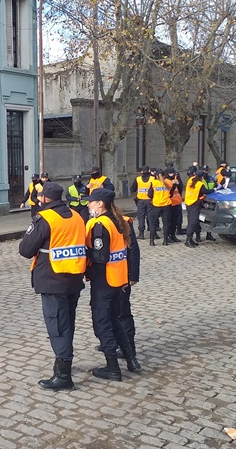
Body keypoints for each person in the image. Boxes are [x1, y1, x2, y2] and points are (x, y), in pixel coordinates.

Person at [18, 182, 86, 391]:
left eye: (40, 196)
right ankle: (63, 361)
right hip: (74, 277)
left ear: (45, 199)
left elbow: (26, 249)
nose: (38, 199)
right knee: (68, 323)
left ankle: (64, 375)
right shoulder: (76, 216)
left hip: (52, 279)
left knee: (57, 327)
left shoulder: (44, 218)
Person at [85, 187, 140, 381]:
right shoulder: (118, 221)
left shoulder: (100, 224)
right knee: (115, 320)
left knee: (102, 323)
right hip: (118, 279)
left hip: (104, 280)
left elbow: (101, 256)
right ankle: (131, 360)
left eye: (91, 202)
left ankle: (113, 368)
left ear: (100, 204)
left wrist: (84, 250)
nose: (88, 205)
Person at [147, 169, 175, 246]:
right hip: (166, 205)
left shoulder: (154, 182)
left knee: (153, 223)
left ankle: (152, 241)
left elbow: (149, 194)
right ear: (164, 175)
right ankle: (165, 241)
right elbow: (171, 194)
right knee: (166, 223)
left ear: (156, 176)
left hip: (156, 205)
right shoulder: (169, 182)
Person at [184, 167, 207, 248]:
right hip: (194, 204)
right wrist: (214, 189)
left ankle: (190, 239)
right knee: (193, 222)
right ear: (202, 177)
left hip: (188, 203)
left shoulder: (191, 180)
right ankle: (188, 240)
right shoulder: (200, 184)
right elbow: (206, 191)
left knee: (191, 221)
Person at [129, 166, 154, 239]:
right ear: (149, 171)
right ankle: (153, 233)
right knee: (150, 217)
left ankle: (141, 234)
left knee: (141, 217)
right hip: (150, 201)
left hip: (140, 201)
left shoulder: (138, 179)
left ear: (142, 172)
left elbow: (132, 189)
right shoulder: (153, 179)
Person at [165, 167, 183, 242]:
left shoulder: (175, 180)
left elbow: (180, 190)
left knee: (175, 221)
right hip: (170, 204)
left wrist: (178, 184)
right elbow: (170, 193)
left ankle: (173, 235)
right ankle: (168, 236)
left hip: (177, 202)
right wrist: (174, 184)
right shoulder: (166, 181)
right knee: (169, 221)